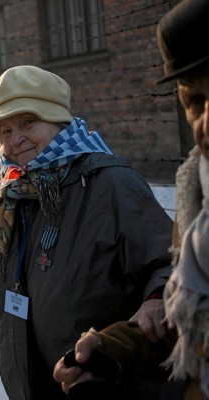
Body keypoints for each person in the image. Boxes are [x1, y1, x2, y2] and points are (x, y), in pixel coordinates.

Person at [0, 64, 174, 399]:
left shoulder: (110, 184)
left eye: (28, 122)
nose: (15, 138)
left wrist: (157, 300)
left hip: (100, 380)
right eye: (5, 129)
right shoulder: (8, 193)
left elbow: (171, 261)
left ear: (58, 121)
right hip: (25, 381)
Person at [53, 0, 209, 398]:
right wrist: (111, 353)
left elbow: (157, 272)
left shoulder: (110, 183)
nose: (206, 120)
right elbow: (186, 320)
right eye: (194, 101)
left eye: (28, 125)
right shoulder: (198, 201)